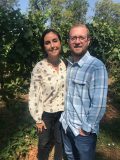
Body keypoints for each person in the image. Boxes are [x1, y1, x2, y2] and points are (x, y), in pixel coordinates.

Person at [60, 23, 108, 160]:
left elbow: (99, 105)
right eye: (73, 38)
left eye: (81, 37)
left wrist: (86, 129)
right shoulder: (68, 65)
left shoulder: (96, 67)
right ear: (68, 41)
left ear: (88, 40)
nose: (77, 41)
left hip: (82, 132)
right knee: (69, 156)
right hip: (66, 125)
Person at [29, 29, 66, 160]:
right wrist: (38, 118)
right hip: (46, 114)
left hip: (62, 112)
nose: (52, 45)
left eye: (55, 41)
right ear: (44, 47)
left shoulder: (65, 64)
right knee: (44, 143)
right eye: (47, 43)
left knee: (60, 141)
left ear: (60, 43)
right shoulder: (39, 67)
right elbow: (34, 94)